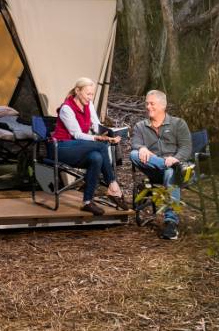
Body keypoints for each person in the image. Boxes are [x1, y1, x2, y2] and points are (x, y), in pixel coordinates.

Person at [53, 77, 126, 215]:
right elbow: (77, 134)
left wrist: (109, 134)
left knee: (96, 157)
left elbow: (96, 125)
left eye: (92, 94)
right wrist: (98, 138)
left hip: (78, 148)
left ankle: (87, 202)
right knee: (100, 146)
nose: (90, 97)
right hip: (61, 147)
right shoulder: (66, 108)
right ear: (77, 91)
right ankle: (113, 185)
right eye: (88, 94)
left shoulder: (89, 105)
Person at [130, 89, 192, 240]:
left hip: (175, 169)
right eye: (147, 104)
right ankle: (170, 166)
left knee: (170, 173)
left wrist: (176, 159)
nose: (148, 107)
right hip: (154, 169)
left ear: (163, 106)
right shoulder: (140, 126)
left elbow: (186, 148)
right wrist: (142, 148)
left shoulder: (178, 123)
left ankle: (171, 223)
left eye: (152, 104)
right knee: (134, 154)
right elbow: (136, 143)